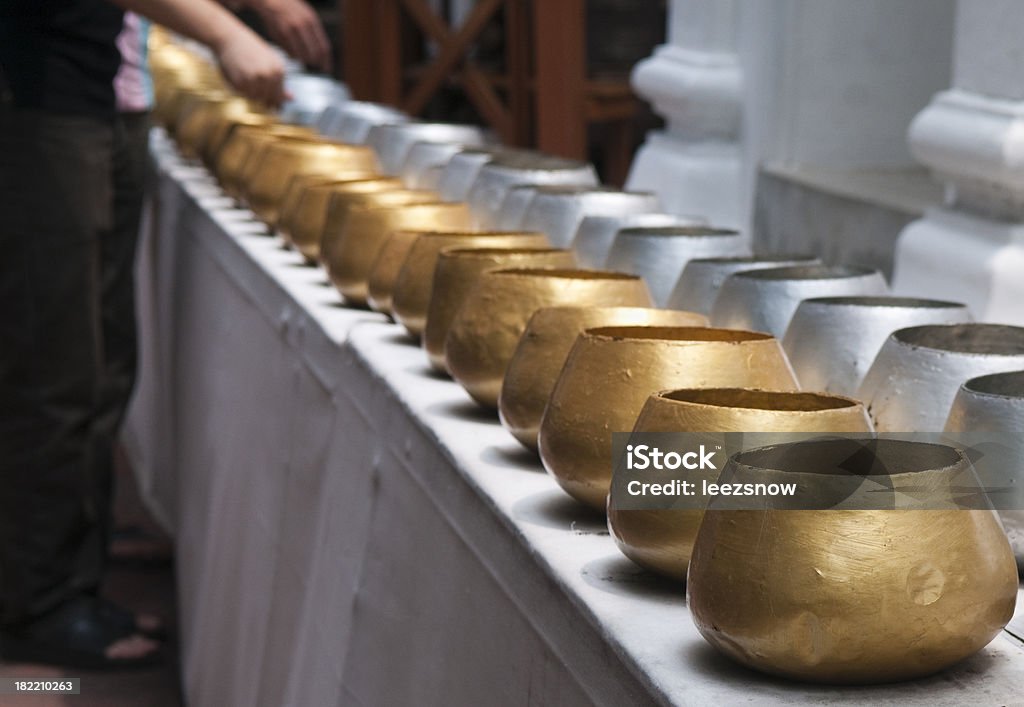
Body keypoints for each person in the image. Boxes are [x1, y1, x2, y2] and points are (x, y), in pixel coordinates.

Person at [0, 0, 325, 670]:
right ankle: (37, 604)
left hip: (97, 96)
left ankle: (70, 565)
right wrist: (226, 30)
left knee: (99, 360)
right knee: (55, 366)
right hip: (41, 98)